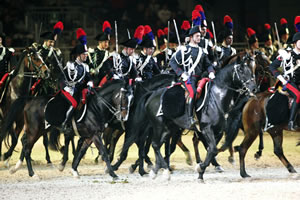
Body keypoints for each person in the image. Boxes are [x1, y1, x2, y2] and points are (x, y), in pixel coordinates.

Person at [169, 25, 215, 127]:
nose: (199, 38)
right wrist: (181, 74)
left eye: (200, 36)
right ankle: (189, 118)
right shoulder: (184, 49)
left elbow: (208, 64)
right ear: (191, 37)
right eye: (197, 36)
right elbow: (172, 62)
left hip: (200, 78)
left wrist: (211, 71)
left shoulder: (202, 51)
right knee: (192, 92)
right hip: (188, 79)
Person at [60, 28, 94, 129]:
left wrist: (90, 84)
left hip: (78, 90)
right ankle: (65, 124)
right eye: (84, 54)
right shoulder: (70, 65)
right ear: (79, 55)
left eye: (86, 54)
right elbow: (62, 78)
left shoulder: (85, 66)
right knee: (74, 103)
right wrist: (65, 87)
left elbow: (88, 78)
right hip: (68, 90)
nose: (86, 56)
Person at [269, 32, 300, 130]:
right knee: (298, 95)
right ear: (295, 43)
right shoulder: (287, 54)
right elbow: (272, 66)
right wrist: (281, 79)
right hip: (289, 82)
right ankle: (291, 121)